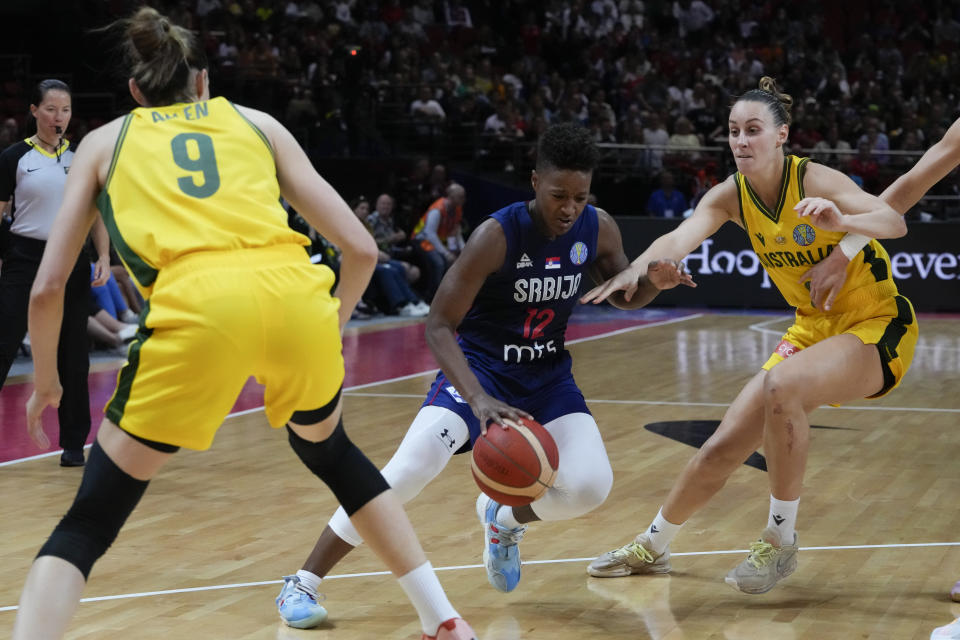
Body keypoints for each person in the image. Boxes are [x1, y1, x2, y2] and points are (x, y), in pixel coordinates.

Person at [12, 9, 475, 640]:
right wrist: (331, 324)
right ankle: (441, 617)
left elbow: (46, 289)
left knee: (89, 522)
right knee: (333, 454)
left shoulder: (103, 142)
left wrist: (46, 382)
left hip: (197, 305)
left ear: (136, 93)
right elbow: (361, 250)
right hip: (293, 293)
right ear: (202, 83)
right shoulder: (257, 124)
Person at [271, 122, 693, 628]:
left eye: (579, 197)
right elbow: (438, 325)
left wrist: (652, 284)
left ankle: (503, 520)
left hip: (547, 378)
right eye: (558, 194)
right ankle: (302, 581)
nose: (568, 208)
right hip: (479, 373)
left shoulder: (598, 227)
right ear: (535, 181)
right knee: (407, 472)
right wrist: (476, 399)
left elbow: (623, 293)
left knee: (589, 487)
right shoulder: (496, 236)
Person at [583, 77, 917, 596]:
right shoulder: (729, 197)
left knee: (782, 386)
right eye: (734, 131)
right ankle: (653, 544)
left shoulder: (814, 180)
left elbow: (893, 220)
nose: (741, 141)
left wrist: (842, 218)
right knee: (722, 445)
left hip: (876, 323)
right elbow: (679, 236)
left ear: (782, 135)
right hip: (813, 327)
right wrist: (641, 267)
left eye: (753, 130)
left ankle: (779, 539)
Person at [0, 78, 111, 467]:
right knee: (4, 343)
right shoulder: (14, 157)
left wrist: (102, 253)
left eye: (64, 110)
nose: (58, 117)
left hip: (71, 260)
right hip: (24, 259)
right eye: (50, 109)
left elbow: (93, 212)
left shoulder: (81, 159)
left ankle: (73, 444)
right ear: (34, 111)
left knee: (74, 356)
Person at [411, 182, 467, 301]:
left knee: (457, 261)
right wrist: (446, 253)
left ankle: (450, 297)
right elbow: (430, 234)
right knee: (439, 262)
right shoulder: (437, 210)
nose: (464, 199)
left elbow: (456, 232)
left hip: (438, 242)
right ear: (451, 197)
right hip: (422, 240)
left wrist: (464, 250)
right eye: (461, 196)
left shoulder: (457, 210)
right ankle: (432, 298)